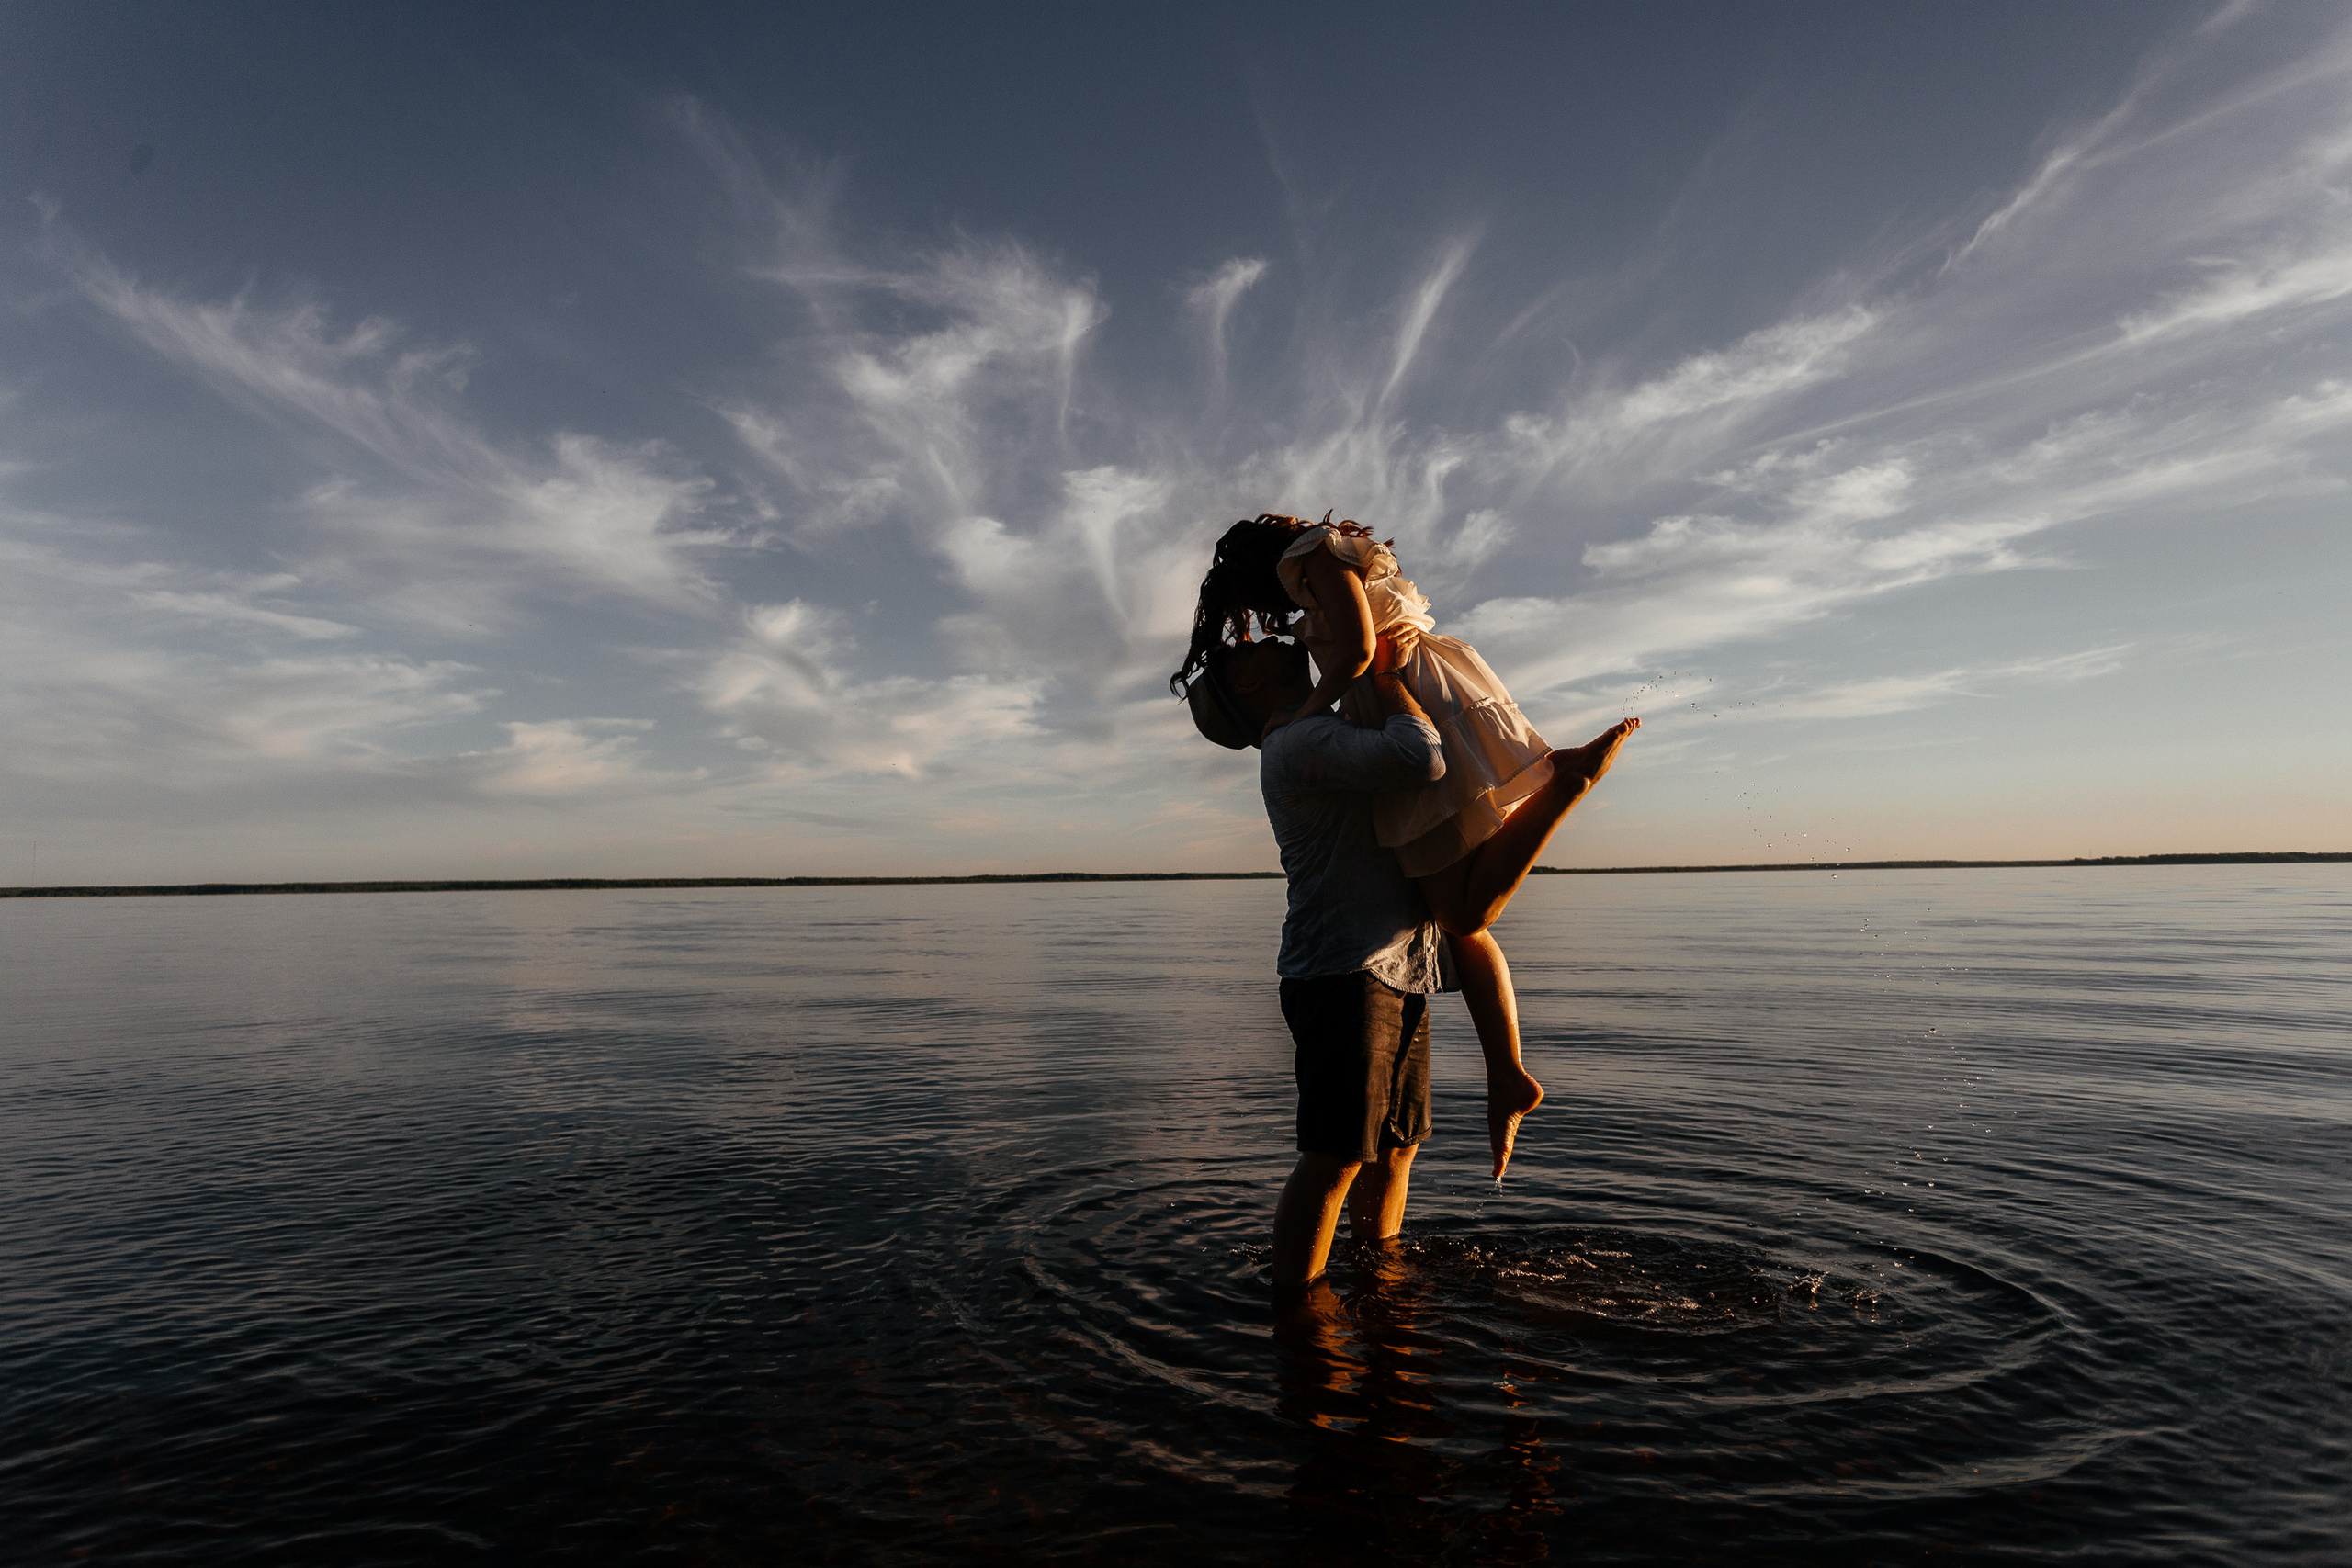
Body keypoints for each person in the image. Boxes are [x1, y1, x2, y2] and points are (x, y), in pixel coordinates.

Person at [1173, 512, 1639, 1179]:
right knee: (1463, 922)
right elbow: (1361, 658)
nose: (1265, 624)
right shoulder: (1306, 716)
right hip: (1405, 712)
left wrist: (1318, 707)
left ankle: (1561, 790)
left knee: (1461, 917)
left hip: (1408, 696)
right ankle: (1506, 1074)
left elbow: (1362, 653)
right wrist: (1325, 708)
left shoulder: (1313, 564)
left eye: (1252, 611)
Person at [1182, 629, 1635, 1289]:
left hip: (1394, 966)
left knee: (1395, 1151)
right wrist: (1391, 676)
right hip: (1342, 972)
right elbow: (1420, 755)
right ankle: (1298, 1319)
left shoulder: (1321, 728)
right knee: (1334, 1156)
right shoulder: (1299, 743)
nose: (1266, 636)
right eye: (1246, 645)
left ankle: (1379, 1290)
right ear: (1248, 685)